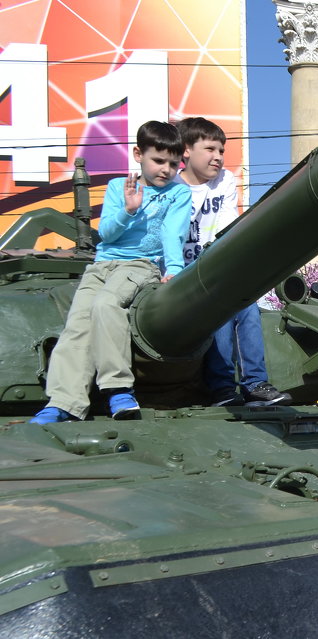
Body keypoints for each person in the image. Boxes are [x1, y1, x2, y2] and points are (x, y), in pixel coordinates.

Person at [30, 121, 192, 424]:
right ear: (138, 154)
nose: (166, 170)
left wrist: (173, 268)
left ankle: (118, 389)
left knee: (106, 305)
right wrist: (128, 210)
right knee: (78, 324)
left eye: (173, 164)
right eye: (159, 160)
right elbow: (106, 234)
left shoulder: (178, 193)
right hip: (102, 265)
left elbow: (173, 232)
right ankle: (64, 401)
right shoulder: (120, 187)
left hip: (140, 264)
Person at [175, 117, 291, 407]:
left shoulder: (224, 180)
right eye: (209, 149)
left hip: (215, 265)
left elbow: (227, 226)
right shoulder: (172, 187)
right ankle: (222, 386)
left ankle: (255, 383)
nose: (218, 156)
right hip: (182, 273)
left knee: (246, 304)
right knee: (219, 313)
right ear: (186, 150)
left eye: (221, 150)